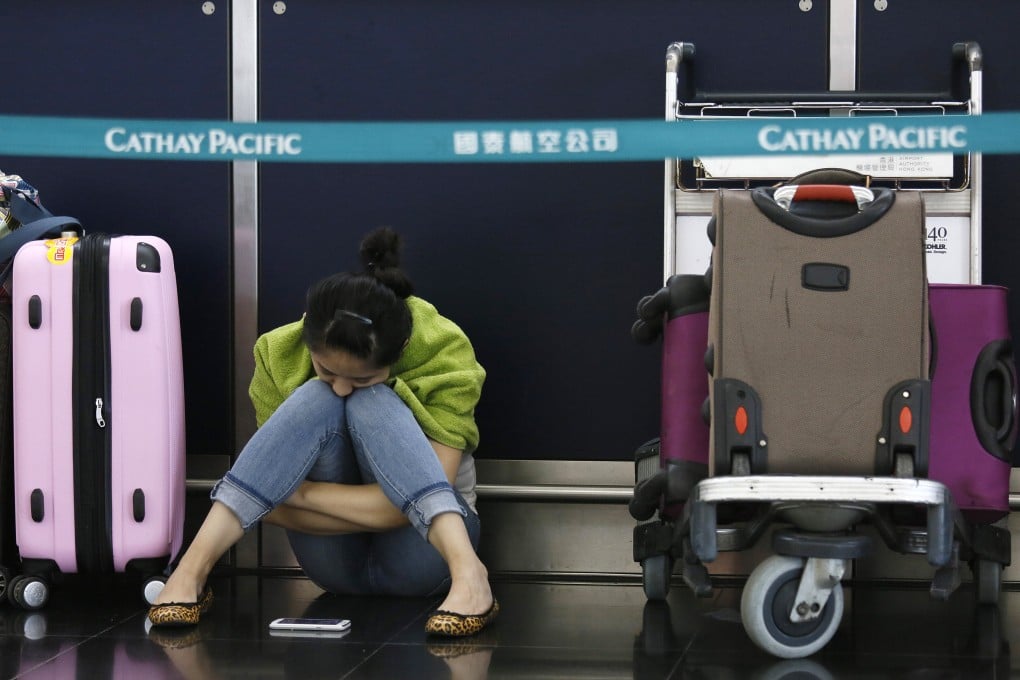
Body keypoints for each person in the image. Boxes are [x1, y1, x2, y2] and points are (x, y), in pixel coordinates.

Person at [148, 227, 497, 637]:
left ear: (400, 351)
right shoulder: (280, 353)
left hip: (425, 555)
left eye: (365, 376)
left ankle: (470, 576)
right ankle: (191, 570)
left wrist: (298, 492)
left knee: (373, 402)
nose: (344, 385)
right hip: (333, 565)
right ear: (307, 342)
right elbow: (268, 503)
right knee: (318, 396)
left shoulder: (441, 350)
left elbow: (281, 499)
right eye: (327, 367)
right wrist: (285, 494)